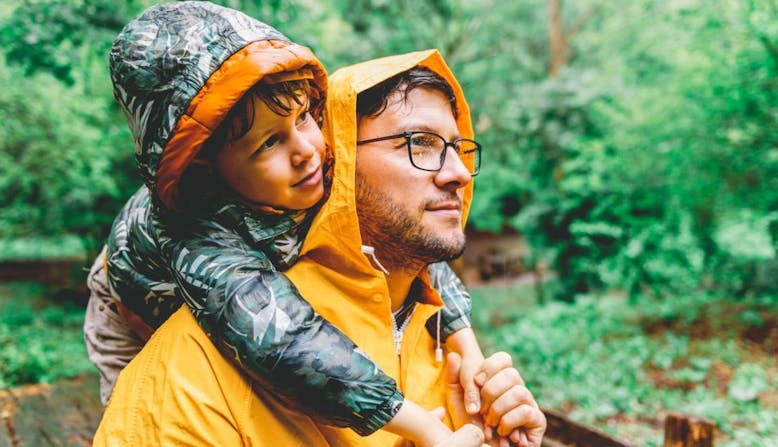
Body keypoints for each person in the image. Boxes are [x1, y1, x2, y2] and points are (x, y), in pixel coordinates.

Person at [93, 47, 546, 446]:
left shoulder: (425, 319)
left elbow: (425, 270)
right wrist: (426, 429)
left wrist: (469, 352)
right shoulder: (202, 342)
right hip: (138, 293)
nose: (459, 173)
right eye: (419, 145)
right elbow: (281, 334)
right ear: (345, 157)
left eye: (457, 147)